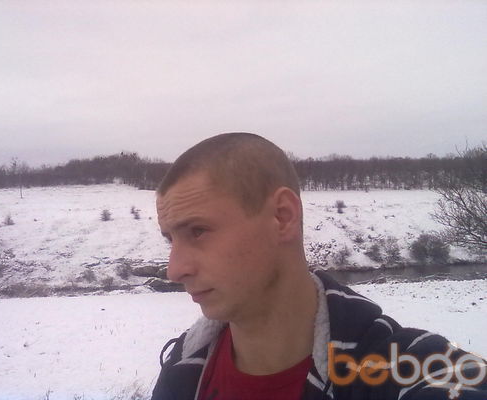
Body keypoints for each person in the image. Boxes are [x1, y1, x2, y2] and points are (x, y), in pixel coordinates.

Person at [151, 132, 486, 400]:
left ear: (282, 216)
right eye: (170, 240)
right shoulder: (184, 366)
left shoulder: (403, 367)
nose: (174, 270)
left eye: (198, 231)